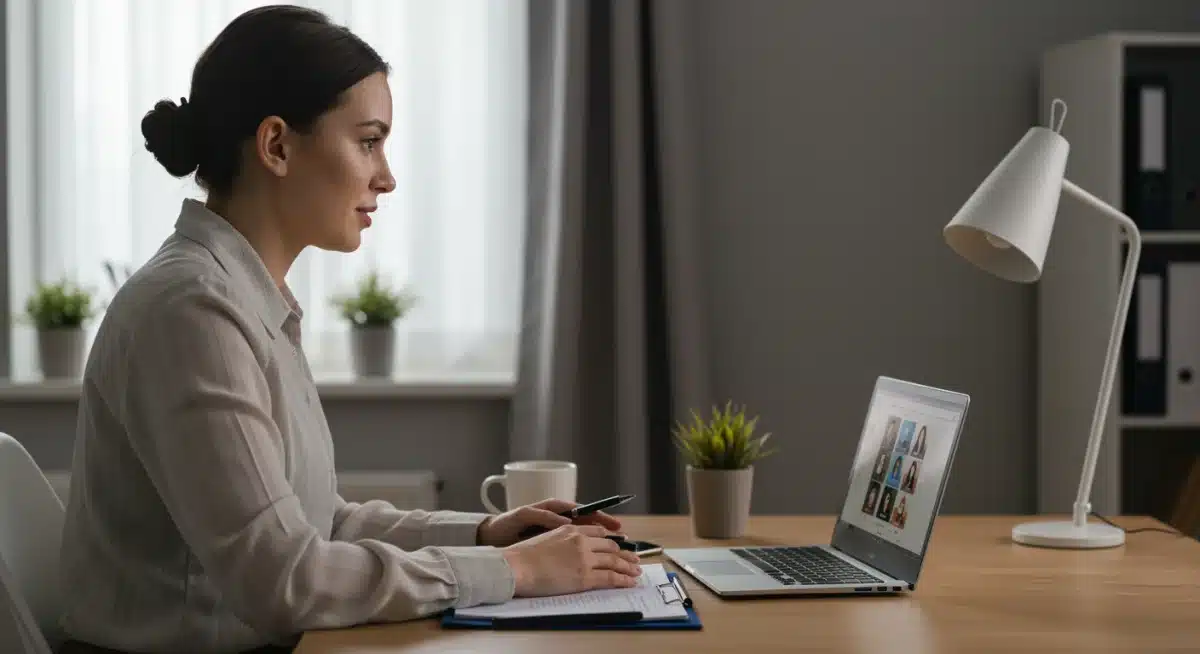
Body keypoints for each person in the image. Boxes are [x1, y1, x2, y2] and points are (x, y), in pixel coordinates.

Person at [56, 6, 641, 654]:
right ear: (276, 145)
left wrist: (486, 535)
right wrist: (516, 572)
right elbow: (283, 579)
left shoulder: (246, 298)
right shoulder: (193, 313)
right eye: (368, 141)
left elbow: (320, 524)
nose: (386, 177)